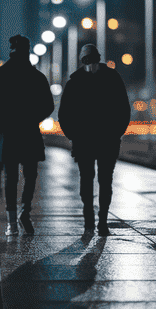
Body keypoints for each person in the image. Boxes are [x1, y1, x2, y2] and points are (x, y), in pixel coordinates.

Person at [0, 35, 54, 236]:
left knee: (10, 176)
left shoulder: (1, 74)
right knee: (30, 174)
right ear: (27, 50)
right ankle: (25, 211)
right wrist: (33, 118)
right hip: (29, 131)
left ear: (10, 49)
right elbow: (48, 105)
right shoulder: (36, 76)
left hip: (7, 133)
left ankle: (11, 223)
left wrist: (1, 122)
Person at [57, 44, 131, 235]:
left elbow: (64, 113)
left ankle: (100, 219)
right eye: (87, 62)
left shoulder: (77, 81)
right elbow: (64, 114)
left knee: (99, 180)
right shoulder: (110, 78)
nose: (90, 65)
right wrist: (74, 135)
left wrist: (74, 135)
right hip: (95, 140)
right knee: (92, 180)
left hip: (97, 140)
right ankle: (92, 217)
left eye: (92, 61)